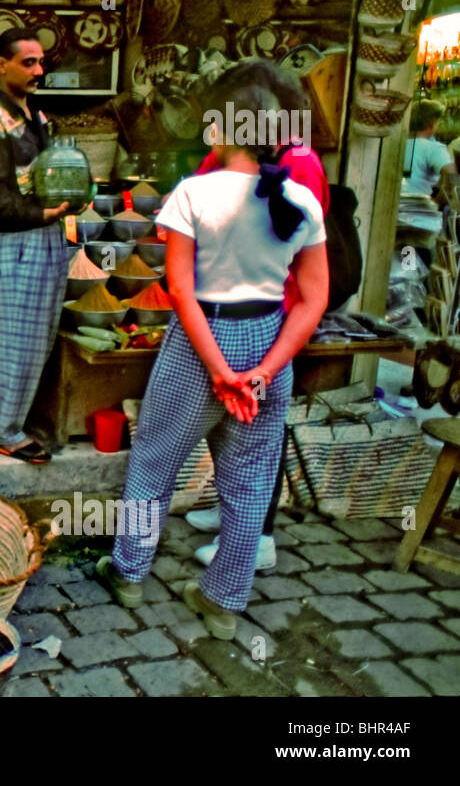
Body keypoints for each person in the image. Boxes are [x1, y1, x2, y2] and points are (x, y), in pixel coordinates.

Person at [96, 62, 329, 640]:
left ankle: (128, 572)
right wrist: (263, 372)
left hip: (201, 342)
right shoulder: (301, 199)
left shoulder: (193, 193)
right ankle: (224, 602)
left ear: (220, 133)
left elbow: (179, 291)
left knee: (154, 461)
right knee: (250, 478)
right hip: (270, 339)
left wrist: (222, 371)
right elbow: (312, 301)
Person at [184, 60, 330, 571]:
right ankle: (234, 515)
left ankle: (258, 535)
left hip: (270, 314)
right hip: (225, 305)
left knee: (258, 426)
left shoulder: (300, 163)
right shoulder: (241, 150)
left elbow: (292, 244)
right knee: (230, 422)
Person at [0, 28, 78, 464]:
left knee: (34, 337)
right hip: (18, 239)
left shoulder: (35, 116)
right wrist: (41, 214)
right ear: (0, 65)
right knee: (20, 341)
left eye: (40, 61)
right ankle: (4, 430)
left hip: (42, 235)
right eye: (28, 62)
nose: (38, 70)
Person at [402, 99, 453, 196]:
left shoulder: (399, 144)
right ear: (431, 124)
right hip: (418, 207)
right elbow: (452, 174)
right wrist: (438, 202)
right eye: (438, 122)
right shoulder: (433, 148)